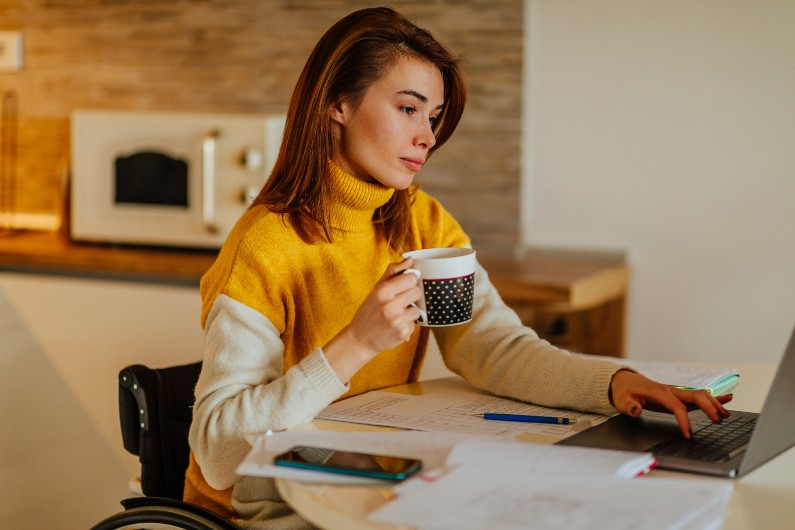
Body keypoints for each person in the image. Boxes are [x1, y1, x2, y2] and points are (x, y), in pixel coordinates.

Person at [185, 6, 732, 528]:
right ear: (338, 104)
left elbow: (496, 348)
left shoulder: (421, 223)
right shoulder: (266, 244)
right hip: (276, 503)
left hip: (373, 478)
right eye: (408, 108)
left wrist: (617, 383)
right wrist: (356, 343)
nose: (428, 135)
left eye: (434, 116)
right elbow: (217, 450)